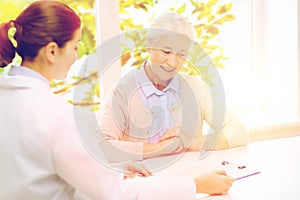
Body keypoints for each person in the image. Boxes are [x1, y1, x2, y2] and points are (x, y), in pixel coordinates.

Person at [0, 1, 234, 199]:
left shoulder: (9, 98)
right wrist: (196, 185)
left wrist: (115, 166)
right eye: (74, 45)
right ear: (52, 51)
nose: (78, 54)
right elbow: (116, 193)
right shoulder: (53, 114)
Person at [99, 12, 250, 162]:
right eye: (166, 51)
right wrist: (163, 147)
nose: (172, 62)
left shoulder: (196, 87)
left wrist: (189, 142)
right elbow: (103, 148)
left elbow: (239, 131)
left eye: (181, 54)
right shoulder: (121, 93)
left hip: (190, 180)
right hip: (145, 183)